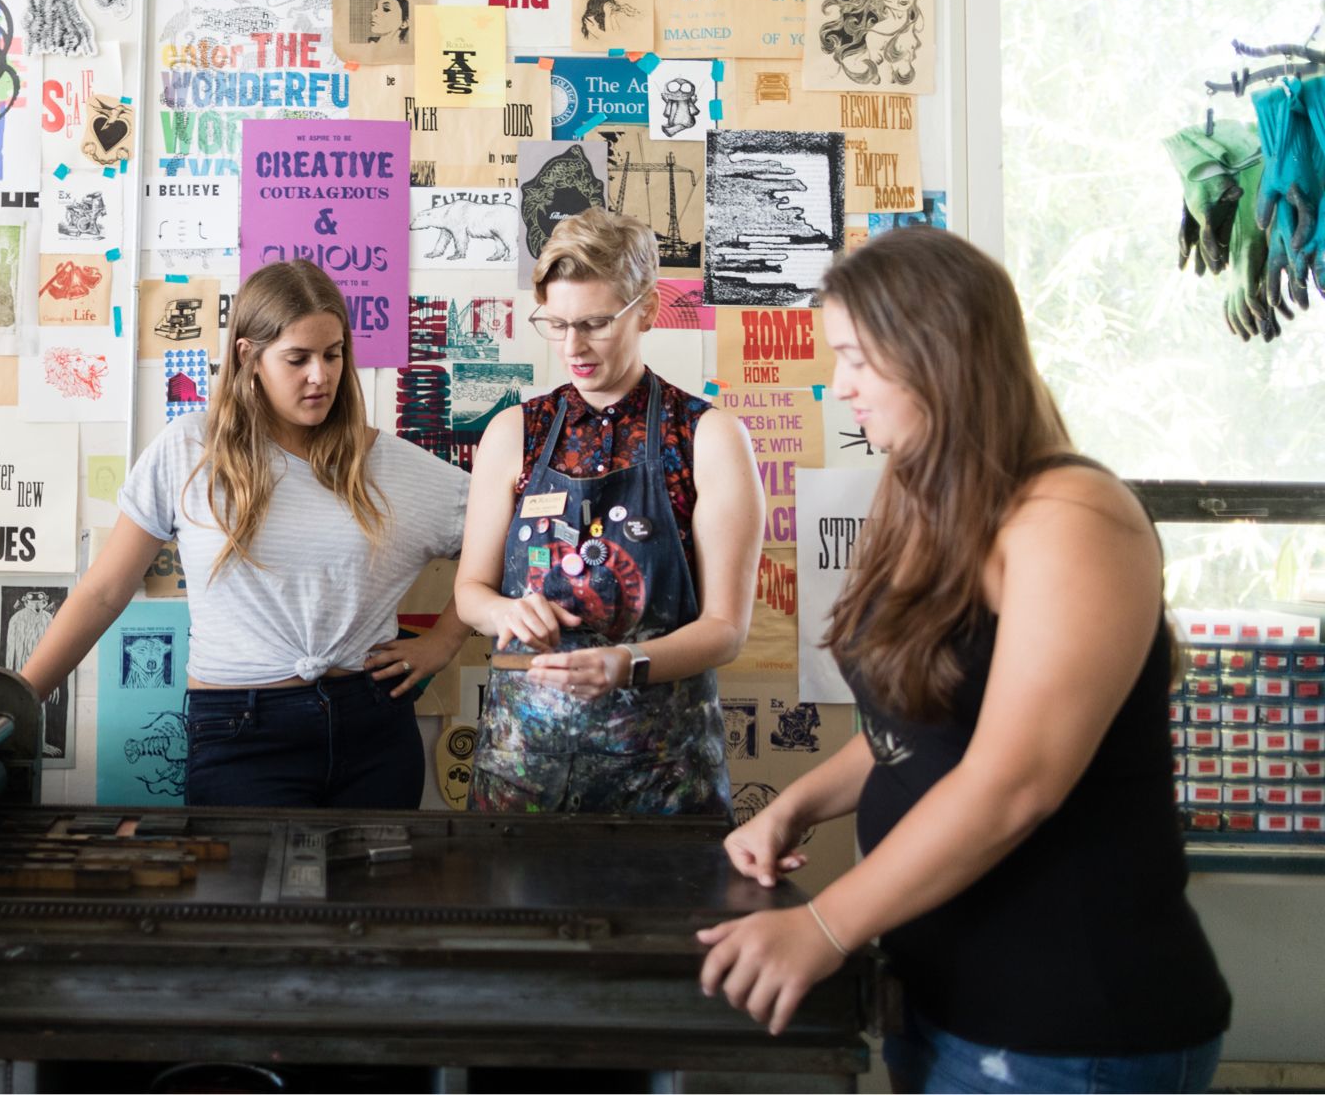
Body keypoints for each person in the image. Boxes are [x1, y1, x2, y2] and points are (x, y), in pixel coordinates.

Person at [697, 229, 1229, 1093]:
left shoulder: (1074, 518)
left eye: (859, 360)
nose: (843, 388)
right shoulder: (925, 495)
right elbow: (918, 719)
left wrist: (823, 928)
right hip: (939, 996)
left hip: (1066, 1028)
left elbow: (1017, 781)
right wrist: (795, 806)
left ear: (937, 351)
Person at [19, 259, 472, 808]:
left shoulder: (393, 465)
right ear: (248, 357)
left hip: (372, 725)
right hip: (240, 732)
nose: (320, 376)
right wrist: (18, 702)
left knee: (372, 896)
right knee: (236, 896)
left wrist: (445, 641)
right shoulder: (188, 450)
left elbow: (511, 539)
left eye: (333, 355)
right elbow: (103, 591)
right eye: (297, 358)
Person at [453, 207, 762, 814]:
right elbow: (470, 590)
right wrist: (507, 612)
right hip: (522, 775)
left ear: (646, 309)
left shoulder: (708, 436)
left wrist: (628, 663)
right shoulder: (515, 432)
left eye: (595, 323)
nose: (574, 347)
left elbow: (726, 630)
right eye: (558, 323)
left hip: (664, 781)